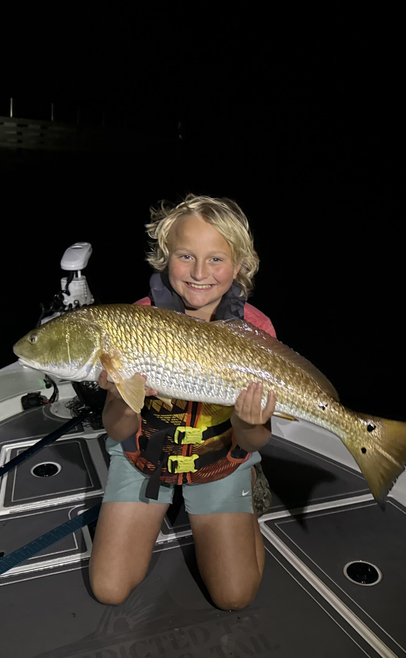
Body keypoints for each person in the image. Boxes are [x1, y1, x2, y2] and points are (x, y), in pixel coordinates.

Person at [89, 194, 276, 611]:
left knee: (234, 597)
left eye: (216, 259)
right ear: (165, 258)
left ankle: (247, 499)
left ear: (240, 265)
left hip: (221, 457)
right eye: (185, 256)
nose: (198, 273)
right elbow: (119, 430)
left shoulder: (256, 331)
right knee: (109, 588)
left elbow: (254, 439)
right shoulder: (134, 323)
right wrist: (120, 395)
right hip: (145, 456)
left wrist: (247, 423)